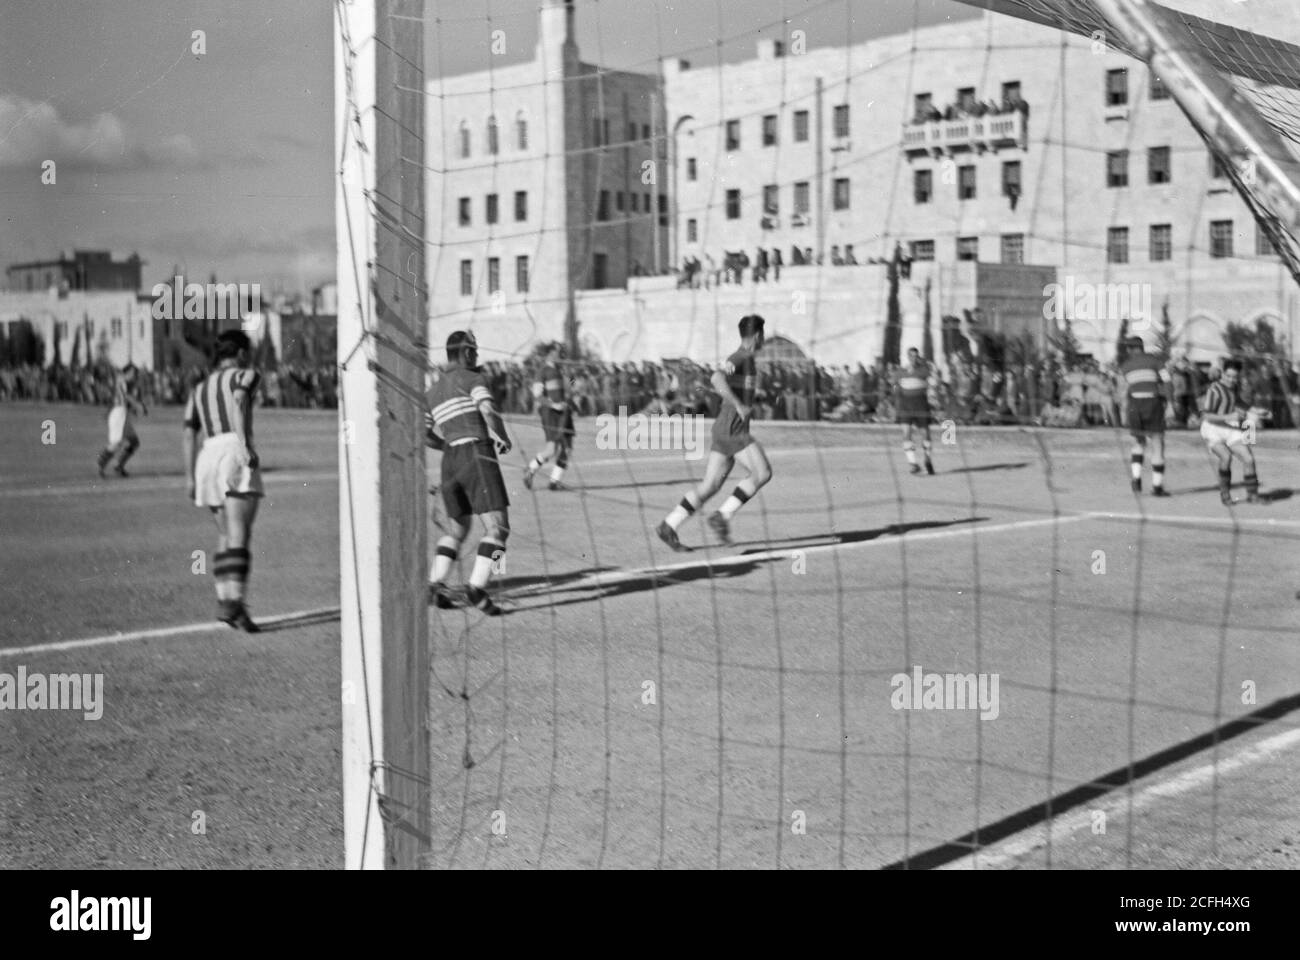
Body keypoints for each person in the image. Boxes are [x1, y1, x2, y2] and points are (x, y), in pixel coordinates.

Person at [656, 314, 773, 550]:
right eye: (763, 335)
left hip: (725, 428)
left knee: (710, 486)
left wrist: (751, 399)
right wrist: (739, 405)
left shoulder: (746, 360)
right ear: (758, 335)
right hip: (732, 429)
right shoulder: (741, 357)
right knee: (763, 472)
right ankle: (723, 516)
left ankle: (669, 525)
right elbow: (716, 378)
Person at [424, 330, 512, 616]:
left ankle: (435, 583)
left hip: (450, 461)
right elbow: (486, 408)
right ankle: (478, 587)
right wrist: (502, 436)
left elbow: (423, 434)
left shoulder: (433, 391)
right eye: (473, 351)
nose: (477, 356)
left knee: (458, 530)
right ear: (464, 353)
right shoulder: (473, 378)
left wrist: (446, 445)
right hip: (477, 454)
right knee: (499, 528)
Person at [182, 331, 264, 632]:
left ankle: (227, 601)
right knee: (240, 531)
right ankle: (234, 601)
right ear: (241, 353)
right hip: (232, 449)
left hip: (208, 453)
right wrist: (244, 444)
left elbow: (189, 431)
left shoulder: (200, 387)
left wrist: (190, 475)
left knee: (224, 534)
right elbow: (240, 399)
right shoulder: (247, 374)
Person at [1199, 359, 1265, 505]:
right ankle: (1225, 494)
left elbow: (1239, 403)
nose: (1231, 380)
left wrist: (1257, 411)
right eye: (1228, 376)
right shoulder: (1214, 389)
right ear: (1222, 374)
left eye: (1234, 377)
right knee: (1226, 457)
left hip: (1230, 427)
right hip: (1213, 429)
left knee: (1248, 458)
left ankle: (1252, 495)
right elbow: (1206, 415)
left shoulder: (1234, 388)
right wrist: (1229, 416)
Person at [1119, 334, 1172, 496]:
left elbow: (1122, 391)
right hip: (1152, 403)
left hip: (1134, 406)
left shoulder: (1125, 366)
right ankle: (1157, 486)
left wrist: (1123, 412)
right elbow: (1168, 381)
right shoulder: (1155, 361)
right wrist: (1170, 404)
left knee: (1138, 443)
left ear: (1129, 349)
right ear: (1142, 347)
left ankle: (1136, 479)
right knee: (1157, 444)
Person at [522, 342, 575, 491]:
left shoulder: (561, 371)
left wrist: (571, 379)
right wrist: (553, 405)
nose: (562, 355)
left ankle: (554, 481)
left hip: (565, 413)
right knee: (552, 449)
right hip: (551, 413)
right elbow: (537, 395)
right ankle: (531, 469)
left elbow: (570, 388)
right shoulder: (543, 371)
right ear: (551, 354)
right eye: (559, 352)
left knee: (568, 449)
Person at [97, 364, 147, 478]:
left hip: (123, 413)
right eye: (134, 373)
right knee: (116, 443)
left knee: (134, 442)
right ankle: (100, 464)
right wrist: (139, 406)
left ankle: (119, 467)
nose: (135, 376)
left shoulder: (123, 382)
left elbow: (122, 398)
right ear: (127, 372)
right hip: (119, 415)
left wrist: (134, 409)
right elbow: (126, 397)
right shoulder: (122, 381)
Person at [896, 347, 936, 475]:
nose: (914, 358)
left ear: (918, 357)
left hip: (921, 404)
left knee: (925, 433)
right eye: (911, 356)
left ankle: (927, 459)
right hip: (905, 405)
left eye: (916, 355)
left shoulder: (924, 370)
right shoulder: (901, 371)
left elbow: (934, 383)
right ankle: (913, 464)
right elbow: (896, 389)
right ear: (908, 356)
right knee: (906, 433)